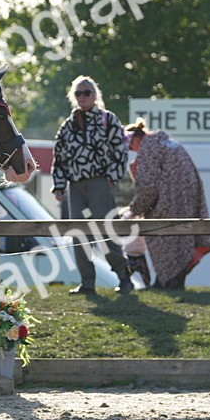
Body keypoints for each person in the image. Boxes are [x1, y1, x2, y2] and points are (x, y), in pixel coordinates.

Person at [51, 76, 134, 294]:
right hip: (75, 186)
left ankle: (124, 276)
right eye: (78, 93)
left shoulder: (108, 119)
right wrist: (59, 185)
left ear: (95, 95)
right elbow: (59, 157)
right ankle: (87, 282)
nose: (82, 96)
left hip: (99, 182)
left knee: (105, 231)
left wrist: (111, 177)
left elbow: (120, 152)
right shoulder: (67, 126)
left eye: (86, 92)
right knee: (79, 233)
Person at [124, 118, 210, 290]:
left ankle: (165, 283)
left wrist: (135, 209)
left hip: (167, 205)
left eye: (130, 147)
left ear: (136, 139)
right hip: (187, 201)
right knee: (181, 243)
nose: (132, 151)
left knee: (165, 243)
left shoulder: (148, 149)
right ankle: (170, 282)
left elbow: (147, 187)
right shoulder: (170, 144)